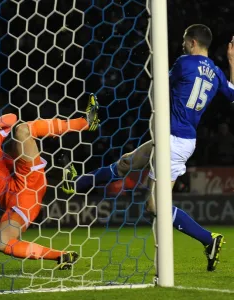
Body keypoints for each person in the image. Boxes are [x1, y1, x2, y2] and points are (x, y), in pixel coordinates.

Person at [60, 25, 234, 271]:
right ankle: (74, 185)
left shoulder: (184, 63)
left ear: (193, 42)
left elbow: (160, 86)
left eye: (185, 40)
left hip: (174, 140)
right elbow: (233, 94)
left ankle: (209, 239)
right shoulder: (216, 73)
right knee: (126, 163)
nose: (182, 44)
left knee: (154, 206)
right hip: (176, 137)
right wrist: (231, 61)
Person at [0, 94, 99, 271]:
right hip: (20, 204)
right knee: (2, 242)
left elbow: (12, 118)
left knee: (21, 131)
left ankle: (83, 123)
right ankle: (61, 255)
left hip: (26, 178)